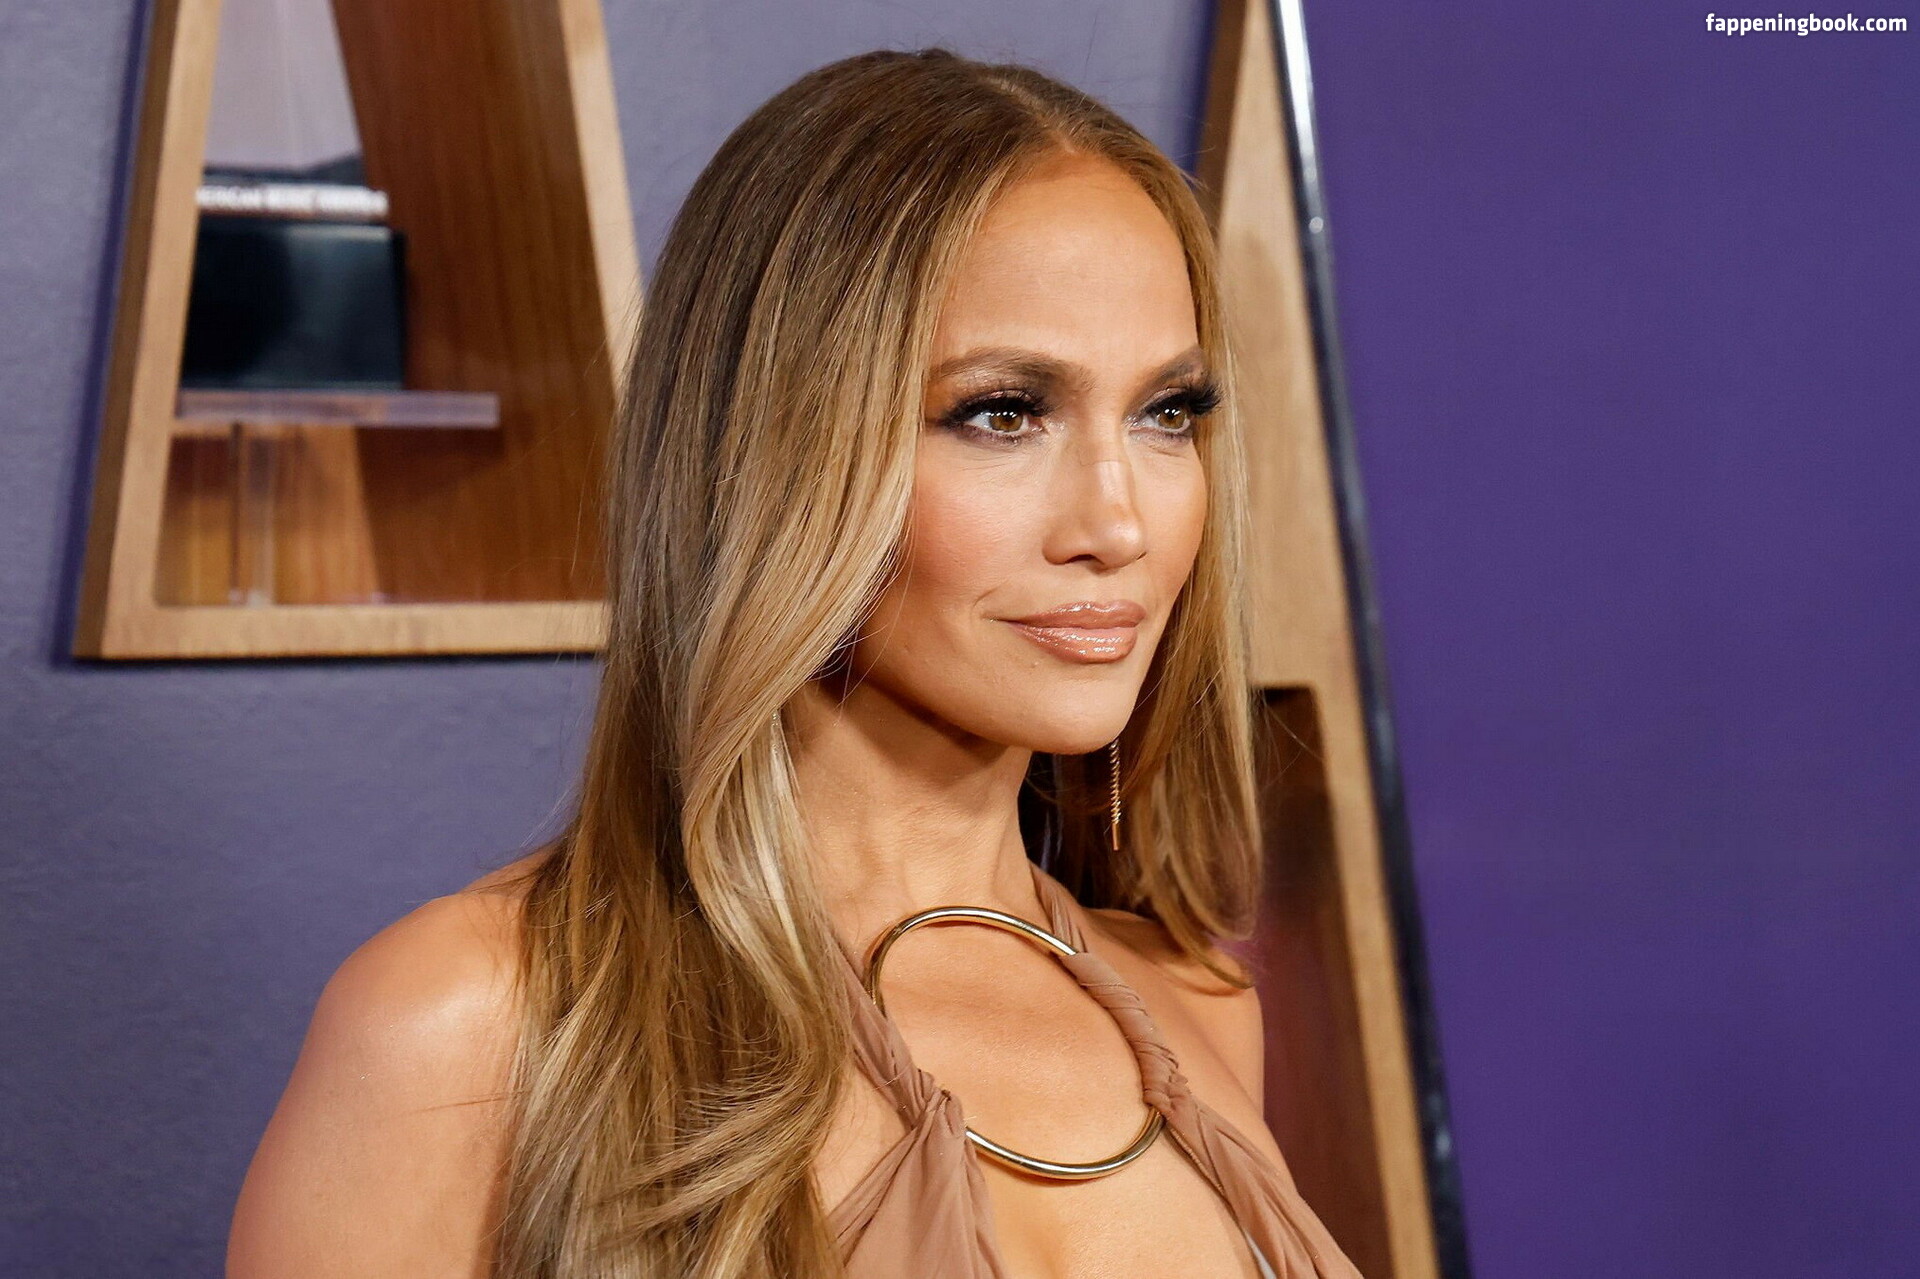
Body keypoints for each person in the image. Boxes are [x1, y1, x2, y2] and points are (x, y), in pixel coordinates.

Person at [227, 48, 1366, 1279]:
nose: (1119, 522)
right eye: (1002, 412)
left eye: (1166, 413)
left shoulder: (1202, 1011)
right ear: (773, 453)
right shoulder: (476, 1026)